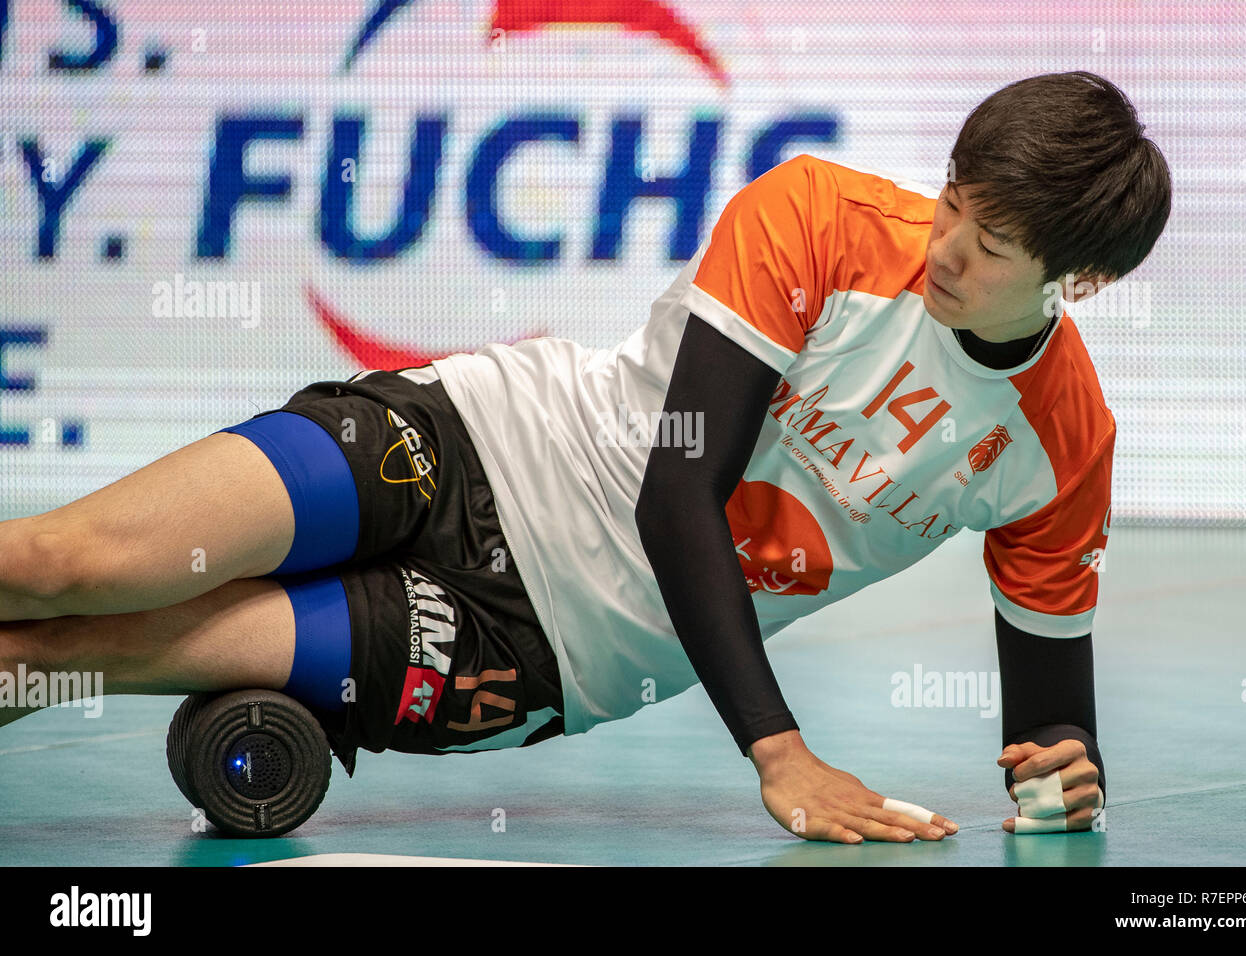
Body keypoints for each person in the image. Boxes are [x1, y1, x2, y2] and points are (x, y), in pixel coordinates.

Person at [0, 71, 1170, 844]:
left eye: (995, 242)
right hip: (475, 439)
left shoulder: (1059, 444)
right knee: (66, 559)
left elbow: (1053, 719)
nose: (947, 248)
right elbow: (678, 489)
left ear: (1082, 281)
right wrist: (780, 751)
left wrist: (1060, 777)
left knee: (72, 651)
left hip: (545, 651)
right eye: (953, 200)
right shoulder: (820, 216)